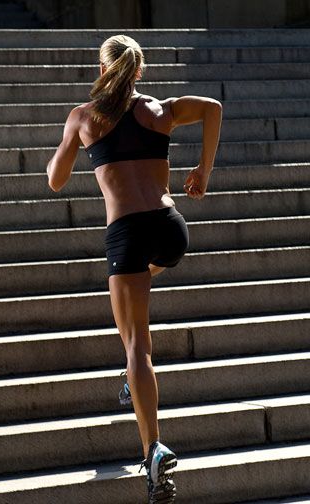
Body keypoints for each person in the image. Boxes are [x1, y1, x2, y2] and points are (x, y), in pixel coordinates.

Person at [46, 34, 222, 503]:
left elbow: (56, 180)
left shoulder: (85, 118)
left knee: (137, 345)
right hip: (170, 231)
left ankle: (153, 451)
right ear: (138, 71)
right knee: (142, 289)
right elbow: (212, 108)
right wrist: (203, 171)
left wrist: (70, 143)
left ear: (102, 70)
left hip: (127, 233)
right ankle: (132, 381)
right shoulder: (160, 110)